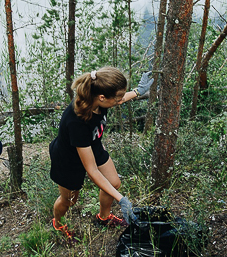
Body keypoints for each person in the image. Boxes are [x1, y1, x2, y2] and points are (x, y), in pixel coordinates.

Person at [48, 66, 152, 242]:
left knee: (113, 183)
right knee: (69, 200)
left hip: (92, 146)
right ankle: (58, 224)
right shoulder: (77, 121)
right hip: (68, 160)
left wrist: (138, 91)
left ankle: (103, 218)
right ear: (102, 97)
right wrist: (122, 200)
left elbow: (119, 98)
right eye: (117, 98)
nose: (120, 101)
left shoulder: (97, 98)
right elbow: (92, 171)